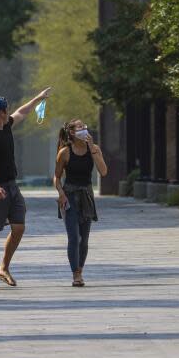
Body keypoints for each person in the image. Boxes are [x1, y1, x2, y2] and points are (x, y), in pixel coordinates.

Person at [0, 88, 51, 289]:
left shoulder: (7, 125)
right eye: (6, 110)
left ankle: (4, 267)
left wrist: (38, 98)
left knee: (18, 227)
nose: (9, 112)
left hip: (12, 185)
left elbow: (23, 111)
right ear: (1, 112)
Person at [54, 119, 108, 287]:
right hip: (69, 195)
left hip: (86, 194)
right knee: (74, 237)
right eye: (79, 127)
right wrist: (61, 193)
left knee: (84, 239)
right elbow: (56, 177)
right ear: (71, 132)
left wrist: (92, 149)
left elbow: (104, 171)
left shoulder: (94, 149)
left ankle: (80, 269)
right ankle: (76, 274)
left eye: (85, 126)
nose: (84, 129)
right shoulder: (65, 152)